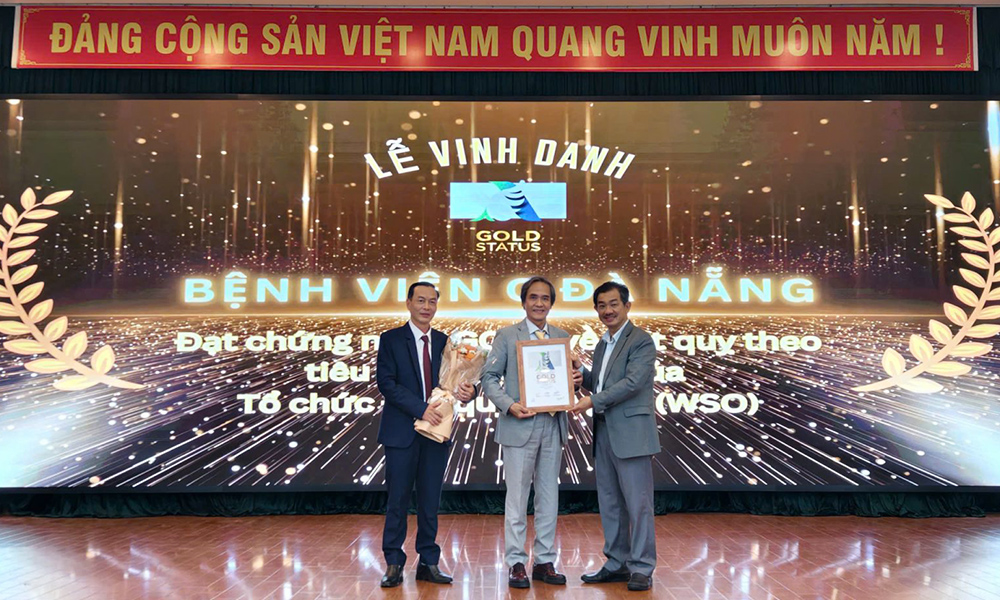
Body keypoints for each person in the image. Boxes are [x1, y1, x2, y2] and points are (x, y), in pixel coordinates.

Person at [482, 276, 583, 589]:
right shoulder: (506, 335)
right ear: (524, 302)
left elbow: (568, 378)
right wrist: (509, 405)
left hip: (553, 424)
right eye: (534, 297)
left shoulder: (562, 337)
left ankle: (544, 561)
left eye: (545, 298)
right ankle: (516, 562)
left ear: (551, 303)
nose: (539, 303)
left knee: (549, 496)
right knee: (517, 498)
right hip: (519, 424)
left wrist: (576, 380)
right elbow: (489, 378)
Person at [375, 281, 475, 588]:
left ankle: (428, 562)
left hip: (436, 433)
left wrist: (469, 391)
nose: (426, 307)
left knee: (430, 500)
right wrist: (421, 409)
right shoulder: (391, 339)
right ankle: (394, 562)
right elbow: (386, 383)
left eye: (432, 301)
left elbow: (457, 379)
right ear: (408, 303)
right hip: (401, 432)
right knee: (397, 500)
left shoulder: (446, 342)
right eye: (420, 300)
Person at [569, 281, 658, 592]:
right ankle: (617, 562)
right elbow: (603, 384)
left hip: (631, 433)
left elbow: (633, 383)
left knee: (638, 504)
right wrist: (582, 375)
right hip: (605, 430)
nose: (607, 310)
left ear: (627, 306)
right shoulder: (603, 344)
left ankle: (642, 567)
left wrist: (591, 400)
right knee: (610, 503)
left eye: (613, 304)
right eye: (601, 305)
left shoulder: (641, 341)